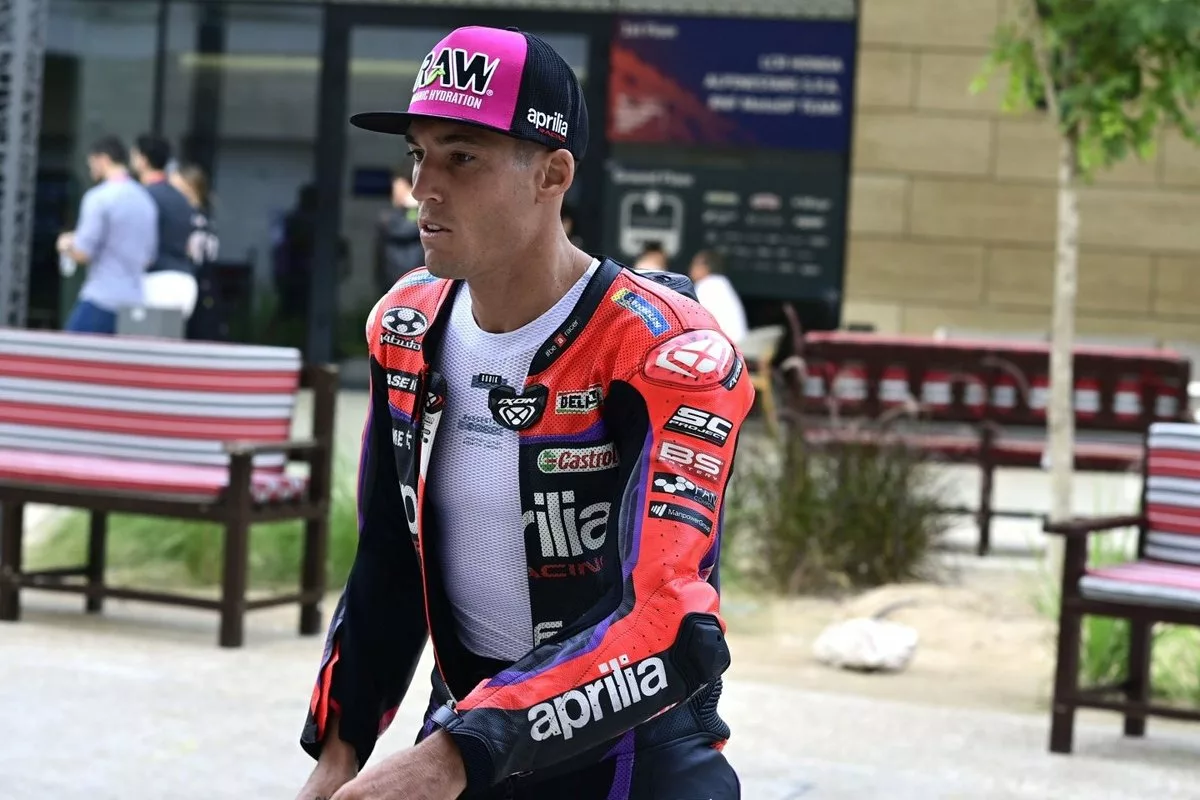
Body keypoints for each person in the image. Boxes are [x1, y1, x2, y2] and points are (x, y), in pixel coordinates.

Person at [295, 25, 753, 800]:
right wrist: (338, 757)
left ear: (553, 174)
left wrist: (453, 756)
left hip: (629, 757)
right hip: (468, 734)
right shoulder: (403, 324)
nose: (424, 186)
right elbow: (388, 560)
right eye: (417, 154)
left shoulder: (665, 349)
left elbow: (671, 619)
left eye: (462, 157)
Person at [56, 136, 158, 334]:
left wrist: (65, 245)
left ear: (102, 159)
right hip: (134, 302)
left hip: (102, 297)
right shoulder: (145, 200)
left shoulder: (98, 198)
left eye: (91, 163)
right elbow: (149, 257)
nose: (90, 169)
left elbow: (83, 253)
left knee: (69, 349)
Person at [131, 133, 197, 276]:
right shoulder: (181, 198)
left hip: (155, 277)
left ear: (143, 160)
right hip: (184, 277)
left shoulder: (142, 197)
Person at [373, 163, 423, 295]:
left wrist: (413, 206)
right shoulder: (393, 215)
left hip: (417, 286)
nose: (393, 191)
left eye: (396, 185)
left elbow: (406, 229)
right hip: (391, 287)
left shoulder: (417, 212)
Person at [688, 249, 748, 344]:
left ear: (704, 267)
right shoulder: (721, 283)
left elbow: (693, 322)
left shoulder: (706, 285)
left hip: (728, 346)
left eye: (694, 264)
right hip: (736, 345)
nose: (690, 268)